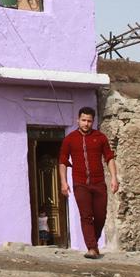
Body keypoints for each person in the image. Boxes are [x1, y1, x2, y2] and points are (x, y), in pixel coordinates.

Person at [58, 106, 118, 259]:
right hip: (80, 184)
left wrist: (114, 178)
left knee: (100, 215)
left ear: (93, 121)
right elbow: (63, 162)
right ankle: (91, 247)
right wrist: (64, 182)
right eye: (83, 120)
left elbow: (109, 158)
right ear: (77, 120)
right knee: (86, 216)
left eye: (89, 121)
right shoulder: (70, 139)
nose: (86, 124)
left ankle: (94, 243)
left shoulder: (101, 137)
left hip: (98, 183)